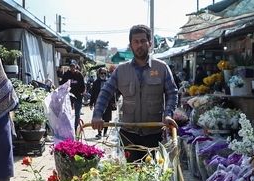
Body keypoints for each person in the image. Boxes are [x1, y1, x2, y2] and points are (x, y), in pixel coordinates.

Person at [91, 24, 178, 162]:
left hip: (154, 133)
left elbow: (172, 93)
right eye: (136, 42)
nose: (140, 45)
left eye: (143, 41)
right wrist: (97, 115)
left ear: (150, 43)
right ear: (130, 45)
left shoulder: (161, 68)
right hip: (128, 135)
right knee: (131, 175)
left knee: (153, 175)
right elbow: (105, 92)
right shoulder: (121, 70)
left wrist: (168, 115)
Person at [89, 67, 116, 139]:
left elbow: (113, 93)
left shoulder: (109, 82)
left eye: (105, 73)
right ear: (99, 74)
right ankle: (99, 133)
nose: (103, 74)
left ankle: (105, 132)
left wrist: (113, 102)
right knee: (99, 117)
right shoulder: (96, 83)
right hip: (98, 103)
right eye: (102, 73)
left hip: (108, 103)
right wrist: (91, 103)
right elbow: (93, 94)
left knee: (107, 118)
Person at [60, 60, 86, 132]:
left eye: (73, 66)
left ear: (76, 66)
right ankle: (68, 127)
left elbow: (83, 86)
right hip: (68, 96)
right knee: (67, 112)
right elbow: (62, 84)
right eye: (71, 66)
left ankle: (75, 127)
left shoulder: (79, 75)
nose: (72, 68)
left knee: (77, 113)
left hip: (78, 96)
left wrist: (81, 92)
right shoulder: (66, 74)